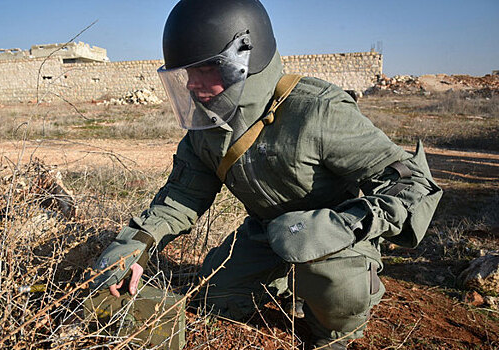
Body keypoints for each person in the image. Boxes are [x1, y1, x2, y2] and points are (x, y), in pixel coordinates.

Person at [91, 0, 442, 348]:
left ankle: (335, 329)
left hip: (334, 239)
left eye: (204, 71)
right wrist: (134, 246)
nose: (190, 87)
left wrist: (345, 226)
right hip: (267, 234)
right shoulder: (207, 129)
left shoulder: (318, 111)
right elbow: (181, 198)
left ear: (245, 59)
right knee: (214, 298)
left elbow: (412, 184)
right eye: (185, 75)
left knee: (333, 278)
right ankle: (290, 282)